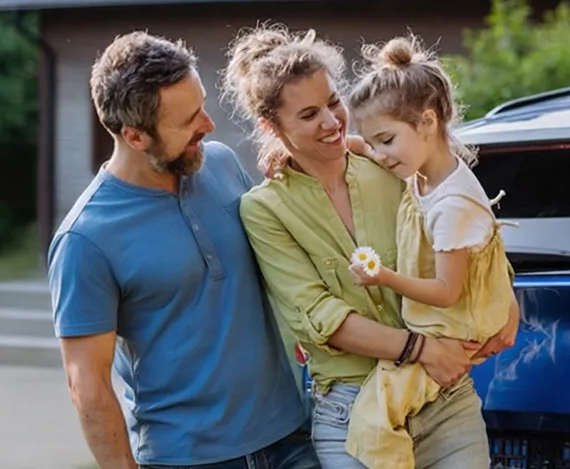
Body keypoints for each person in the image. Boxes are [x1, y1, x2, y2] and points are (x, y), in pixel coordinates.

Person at [221, 24, 519, 469]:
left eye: (333, 103)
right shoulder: (265, 209)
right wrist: (421, 348)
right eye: (307, 116)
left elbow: (465, 233)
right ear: (271, 126)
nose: (330, 122)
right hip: (353, 411)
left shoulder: (389, 164)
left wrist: (507, 302)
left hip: (444, 401)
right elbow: (321, 316)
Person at [48, 31, 317, 469]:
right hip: (189, 458)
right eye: (188, 120)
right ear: (135, 137)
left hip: (292, 439)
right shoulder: (85, 240)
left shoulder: (223, 164)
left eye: (203, 105)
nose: (208, 125)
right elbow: (87, 385)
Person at [338, 35, 518, 469]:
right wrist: (330, 146)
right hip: (446, 320)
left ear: (427, 121)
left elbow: (445, 291)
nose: (378, 155)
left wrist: (382, 276)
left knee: (374, 417)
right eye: (373, 142)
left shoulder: (452, 205)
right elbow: (365, 145)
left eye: (385, 140)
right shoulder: (422, 167)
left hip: (455, 324)